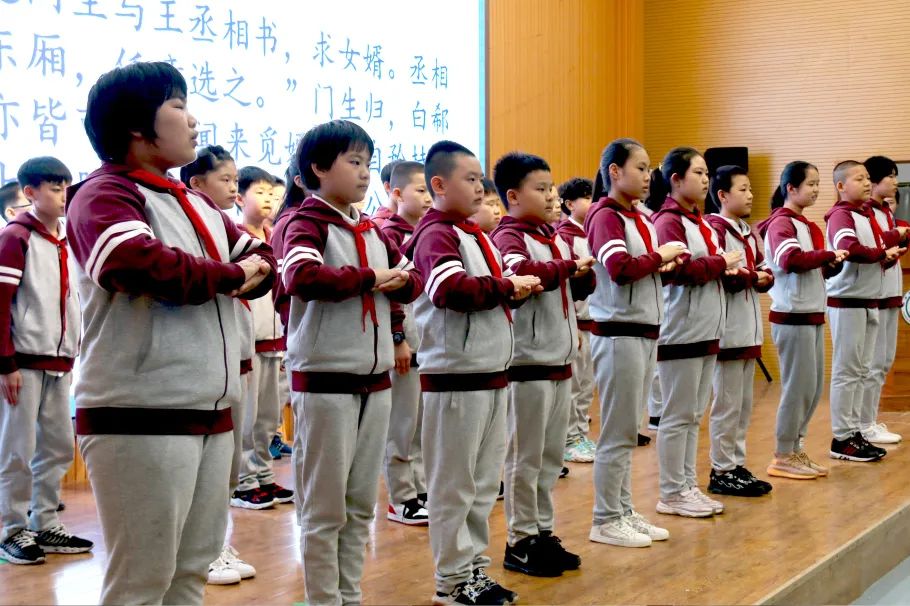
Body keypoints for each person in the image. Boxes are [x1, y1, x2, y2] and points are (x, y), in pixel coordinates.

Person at [66, 61, 275, 605]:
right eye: (179, 106)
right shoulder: (103, 193)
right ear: (137, 126)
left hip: (210, 410)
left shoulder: (194, 201)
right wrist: (233, 275)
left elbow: (261, 255)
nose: (193, 120)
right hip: (139, 412)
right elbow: (136, 262)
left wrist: (240, 271)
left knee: (190, 573)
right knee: (141, 581)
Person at [281, 119, 422, 606]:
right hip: (324, 379)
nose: (364, 173)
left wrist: (395, 280)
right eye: (354, 162)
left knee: (360, 501)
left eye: (367, 162)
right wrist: (371, 277)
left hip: (374, 378)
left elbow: (412, 276)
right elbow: (301, 276)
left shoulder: (370, 226)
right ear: (318, 168)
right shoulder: (304, 222)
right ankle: (324, 598)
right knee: (324, 505)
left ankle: (349, 594)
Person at [402, 140, 540, 605]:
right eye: (470, 178)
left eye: (481, 178)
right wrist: (508, 285)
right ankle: (451, 579)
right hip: (455, 378)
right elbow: (449, 289)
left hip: (489, 373)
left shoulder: (472, 233)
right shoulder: (435, 233)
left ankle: (474, 570)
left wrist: (510, 288)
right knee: (454, 487)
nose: (480, 187)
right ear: (439, 185)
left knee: (482, 486)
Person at [491, 152, 594, 576]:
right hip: (527, 363)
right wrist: (568, 267)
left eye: (552, 187)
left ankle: (543, 532)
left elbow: (571, 286)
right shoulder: (507, 235)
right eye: (541, 188)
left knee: (550, 457)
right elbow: (523, 273)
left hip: (558, 358)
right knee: (524, 457)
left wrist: (582, 275)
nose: (551, 195)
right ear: (513, 196)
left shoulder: (552, 235)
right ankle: (520, 540)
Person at [584, 139, 682, 547]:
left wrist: (666, 263)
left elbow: (643, 269)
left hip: (641, 330)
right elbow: (619, 268)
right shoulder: (605, 215)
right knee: (617, 431)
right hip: (618, 332)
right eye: (640, 168)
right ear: (615, 172)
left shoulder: (637, 215)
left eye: (649, 168)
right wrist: (661, 256)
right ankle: (606, 518)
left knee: (630, 429)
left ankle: (623, 509)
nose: (648, 176)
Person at [0, 156, 89, 565]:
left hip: (60, 361)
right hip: (21, 364)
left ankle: (45, 522)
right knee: (17, 450)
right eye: (54, 188)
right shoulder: (15, 237)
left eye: (66, 187)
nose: (63, 195)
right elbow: (2, 303)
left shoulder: (68, 239)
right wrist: (6, 364)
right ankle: (11, 529)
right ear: (30, 193)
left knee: (56, 447)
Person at [649, 147, 742, 518]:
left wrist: (723, 266)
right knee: (677, 415)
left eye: (707, 173)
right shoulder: (668, 220)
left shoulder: (699, 220)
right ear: (676, 179)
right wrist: (721, 262)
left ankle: (688, 485)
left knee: (692, 416)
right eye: (699, 173)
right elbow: (681, 270)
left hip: (706, 327)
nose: (706, 179)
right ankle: (671, 491)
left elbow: (708, 265)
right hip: (681, 330)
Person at [757, 161, 845, 479]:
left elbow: (811, 267)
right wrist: (827, 255)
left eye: (818, 183)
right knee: (797, 388)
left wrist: (830, 264)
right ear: (790, 188)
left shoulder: (806, 225)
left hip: (811, 314)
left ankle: (796, 448)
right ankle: (783, 453)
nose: (816, 189)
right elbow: (789, 260)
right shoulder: (781, 223)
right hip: (791, 316)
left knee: (812, 387)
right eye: (810, 183)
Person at [824, 160, 906, 462]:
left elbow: (878, 246)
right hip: (848, 300)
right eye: (860, 178)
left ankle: (855, 431)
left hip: (868, 298)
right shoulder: (841, 215)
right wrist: (883, 251)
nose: (867, 183)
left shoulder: (865, 215)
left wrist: (885, 252)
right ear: (841, 186)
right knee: (848, 371)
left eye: (868, 178)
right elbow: (851, 247)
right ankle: (843, 436)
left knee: (862, 369)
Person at [704, 166, 774, 496]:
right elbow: (728, 275)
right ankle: (721, 469)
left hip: (749, 328)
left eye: (750, 189)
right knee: (727, 404)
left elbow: (761, 269)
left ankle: (736, 463)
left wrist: (760, 275)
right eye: (743, 189)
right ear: (722, 195)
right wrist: (754, 276)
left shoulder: (746, 230)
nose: (750, 195)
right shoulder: (715, 229)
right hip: (728, 329)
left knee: (744, 405)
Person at [860, 155, 905, 444]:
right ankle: (863, 424)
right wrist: (894, 236)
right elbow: (869, 247)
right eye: (890, 176)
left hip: (890, 294)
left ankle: (869, 421)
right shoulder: (865, 212)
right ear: (874, 181)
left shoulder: (884, 211)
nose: (895, 181)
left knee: (884, 362)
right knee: (872, 364)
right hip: (874, 295)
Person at [556, 177, 598, 463]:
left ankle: (580, 434)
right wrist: (572, 322)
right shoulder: (566, 236)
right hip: (577, 322)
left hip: (594, 321)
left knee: (585, 387)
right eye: (586, 197)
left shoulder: (595, 231)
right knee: (573, 387)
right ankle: (569, 439)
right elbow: (567, 284)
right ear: (569, 204)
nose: (593, 203)